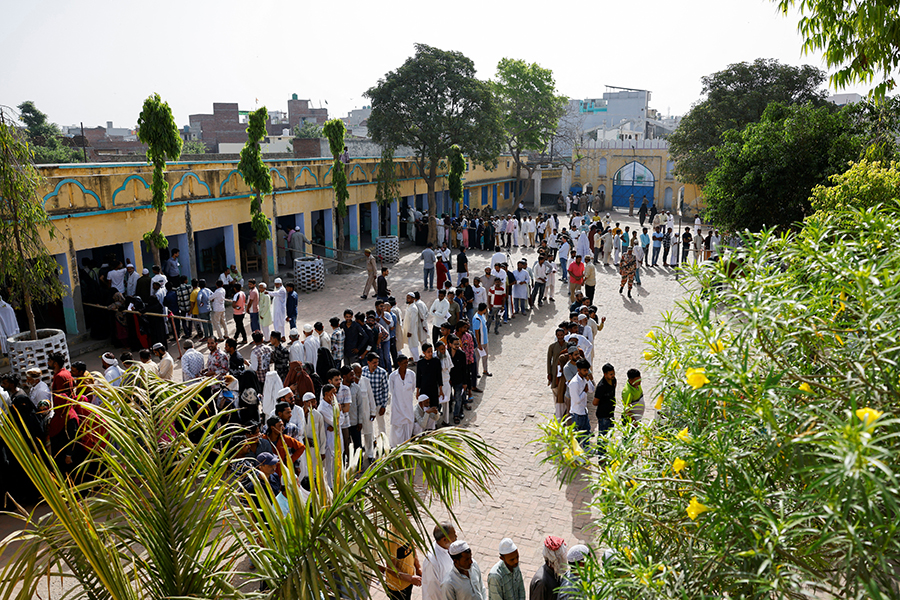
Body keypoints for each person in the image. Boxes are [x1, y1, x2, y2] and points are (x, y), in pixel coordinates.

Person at [384, 524, 422, 600]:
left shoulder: (406, 527)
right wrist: (410, 578)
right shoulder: (391, 537)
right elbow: (391, 568)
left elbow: (412, 547)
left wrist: (418, 568)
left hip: (408, 581)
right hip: (398, 588)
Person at [422, 523, 457, 600]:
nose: (456, 537)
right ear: (444, 539)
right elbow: (434, 592)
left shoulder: (447, 547)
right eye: (454, 535)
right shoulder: (432, 562)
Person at [388, 354, 416, 446]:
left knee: (408, 425)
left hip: (408, 405)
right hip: (397, 406)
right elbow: (392, 390)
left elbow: (412, 388)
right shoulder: (393, 376)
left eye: (407, 362)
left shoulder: (411, 374)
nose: (406, 365)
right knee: (397, 427)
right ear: (399, 363)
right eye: (404, 363)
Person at [361, 352, 390, 438]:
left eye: (377, 362)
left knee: (381, 424)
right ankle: (372, 440)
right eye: (374, 362)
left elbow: (385, 390)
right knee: (368, 424)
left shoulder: (382, 373)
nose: (376, 364)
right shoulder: (363, 371)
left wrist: (384, 406)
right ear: (368, 362)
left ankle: (383, 441)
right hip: (367, 404)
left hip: (378, 403)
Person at [530, 536, 568, 600]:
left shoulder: (555, 571)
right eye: (561, 556)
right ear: (554, 559)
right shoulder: (541, 582)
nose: (564, 559)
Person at [567, 359, 594, 448]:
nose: (586, 372)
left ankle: (586, 449)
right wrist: (584, 392)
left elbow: (592, 390)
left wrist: (588, 380)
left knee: (587, 431)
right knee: (577, 435)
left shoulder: (584, 378)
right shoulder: (574, 383)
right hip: (577, 413)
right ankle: (577, 453)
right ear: (578, 370)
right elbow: (576, 400)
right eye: (584, 370)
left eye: (587, 370)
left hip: (583, 411)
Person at [593, 363, 616, 456]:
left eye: (613, 373)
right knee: (602, 435)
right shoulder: (601, 386)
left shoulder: (614, 381)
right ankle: (601, 455)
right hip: (603, 415)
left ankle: (605, 451)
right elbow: (595, 402)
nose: (613, 375)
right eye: (611, 374)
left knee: (609, 434)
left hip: (611, 413)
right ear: (605, 374)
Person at [403, 292, 425, 361]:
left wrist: (410, 331)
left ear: (413, 299)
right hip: (408, 329)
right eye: (407, 298)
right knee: (410, 345)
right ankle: (413, 358)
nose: (407, 299)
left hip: (411, 331)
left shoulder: (413, 308)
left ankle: (416, 360)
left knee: (413, 345)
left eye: (409, 298)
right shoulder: (409, 306)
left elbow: (412, 321)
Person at [472, 303, 491, 377]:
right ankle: (476, 372)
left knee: (485, 357)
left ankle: (485, 370)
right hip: (480, 342)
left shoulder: (482, 316)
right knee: (477, 358)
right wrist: (478, 343)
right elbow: (476, 332)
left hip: (485, 341)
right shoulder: (477, 319)